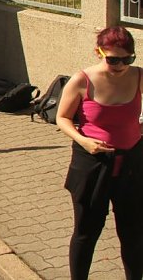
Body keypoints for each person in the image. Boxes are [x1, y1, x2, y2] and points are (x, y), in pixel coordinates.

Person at [56, 26, 143, 280]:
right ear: (99, 52)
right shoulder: (82, 80)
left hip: (131, 164)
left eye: (127, 59)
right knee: (87, 232)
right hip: (93, 165)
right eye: (113, 59)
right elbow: (62, 118)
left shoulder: (138, 76)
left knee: (133, 234)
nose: (120, 65)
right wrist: (83, 141)